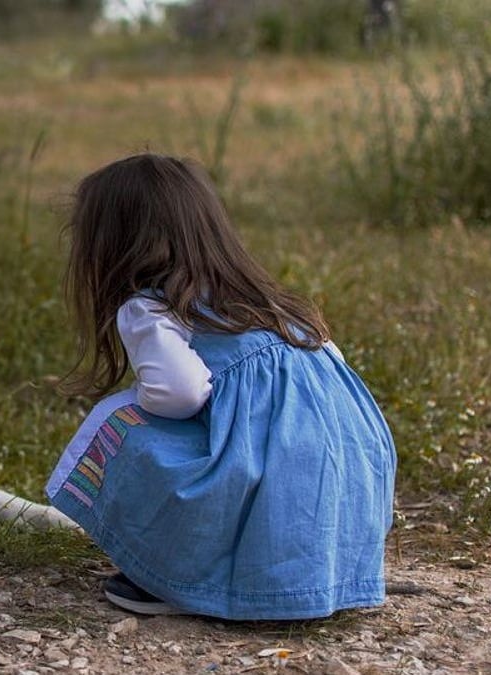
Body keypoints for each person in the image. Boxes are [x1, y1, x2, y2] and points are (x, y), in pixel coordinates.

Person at [45, 153, 396, 620]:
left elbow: (181, 393)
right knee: (264, 448)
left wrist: (142, 402)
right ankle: (308, 574)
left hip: (271, 479)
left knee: (120, 421)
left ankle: (176, 577)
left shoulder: (151, 308)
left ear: (113, 246)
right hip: (348, 480)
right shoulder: (269, 303)